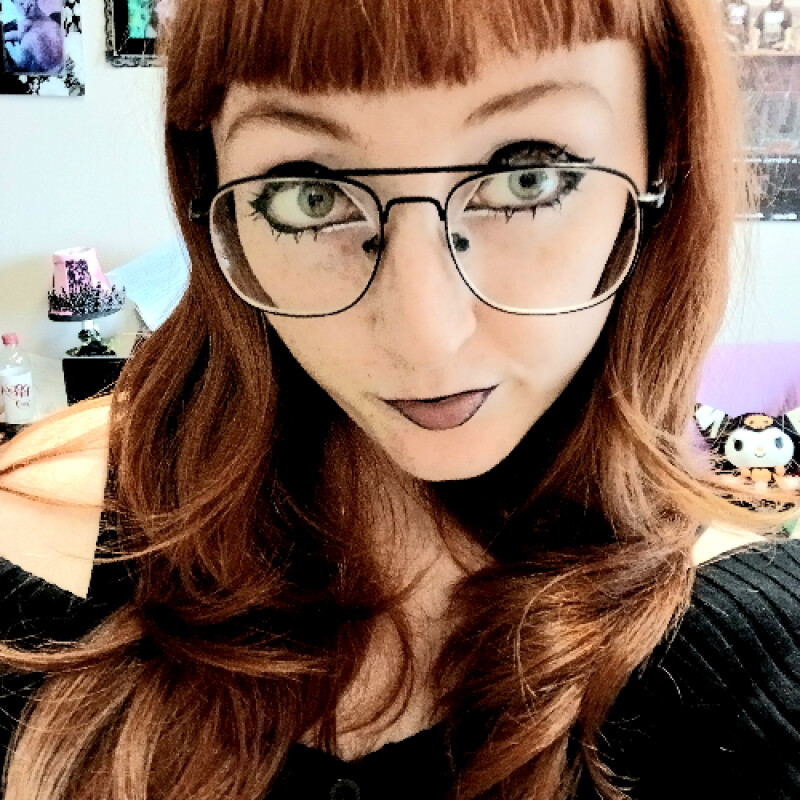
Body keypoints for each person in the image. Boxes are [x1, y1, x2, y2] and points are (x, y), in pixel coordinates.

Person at [1, 0, 799, 798]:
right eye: (309, 194)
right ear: (218, 199)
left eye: (528, 175)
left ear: (661, 168)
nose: (424, 338)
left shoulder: (751, 657)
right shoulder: (46, 535)